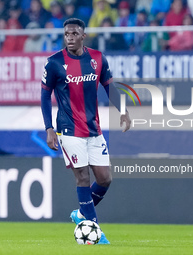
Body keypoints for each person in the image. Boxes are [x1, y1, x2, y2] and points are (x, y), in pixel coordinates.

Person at [41, 18, 131, 244]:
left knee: (105, 178)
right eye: (66, 34)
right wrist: (49, 128)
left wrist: (123, 111)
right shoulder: (53, 63)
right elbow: (44, 96)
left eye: (74, 34)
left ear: (83, 36)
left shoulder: (97, 59)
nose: (69, 37)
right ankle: (96, 231)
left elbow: (109, 85)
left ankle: (82, 214)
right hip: (68, 130)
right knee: (82, 177)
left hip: (93, 129)